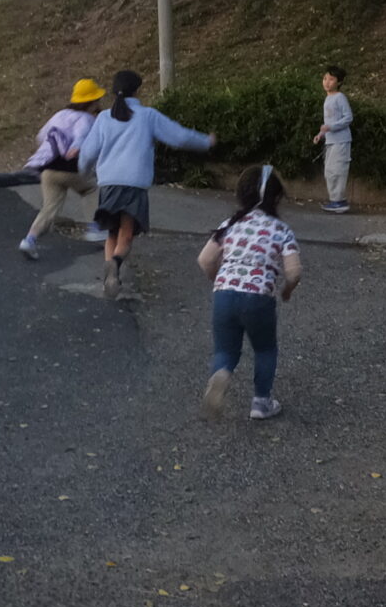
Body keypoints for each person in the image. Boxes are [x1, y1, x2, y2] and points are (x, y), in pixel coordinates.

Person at [77, 69, 215, 299]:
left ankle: (109, 277)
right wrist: (205, 141)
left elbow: (88, 152)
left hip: (108, 184)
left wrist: (82, 172)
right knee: (126, 235)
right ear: (137, 90)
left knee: (112, 233)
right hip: (134, 185)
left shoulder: (103, 118)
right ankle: (116, 264)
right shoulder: (147, 115)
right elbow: (179, 136)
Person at [198, 164, 302, 420]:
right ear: (276, 198)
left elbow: (205, 259)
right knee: (265, 349)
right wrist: (287, 290)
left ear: (241, 195)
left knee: (225, 350)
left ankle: (221, 373)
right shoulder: (282, 230)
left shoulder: (229, 225)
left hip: (224, 293)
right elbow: (293, 272)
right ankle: (261, 403)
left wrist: (218, 279)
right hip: (258, 297)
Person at [20, 78, 109, 259]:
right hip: (70, 169)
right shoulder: (86, 118)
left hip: (48, 169)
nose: (99, 103)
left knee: (49, 209)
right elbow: (81, 136)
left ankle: (29, 240)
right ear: (92, 102)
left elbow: (41, 136)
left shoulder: (60, 114)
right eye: (97, 100)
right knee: (91, 189)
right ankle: (95, 228)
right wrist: (75, 148)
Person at [312, 64, 353, 213]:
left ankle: (339, 201)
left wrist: (331, 127)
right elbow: (328, 123)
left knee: (337, 170)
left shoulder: (340, 98)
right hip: (330, 141)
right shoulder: (328, 99)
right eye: (325, 78)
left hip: (341, 141)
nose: (327, 82)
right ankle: (335, 200)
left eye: (331, 79)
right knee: (329, 171)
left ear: (339, 82)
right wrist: (320, 134)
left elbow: (348, 117)